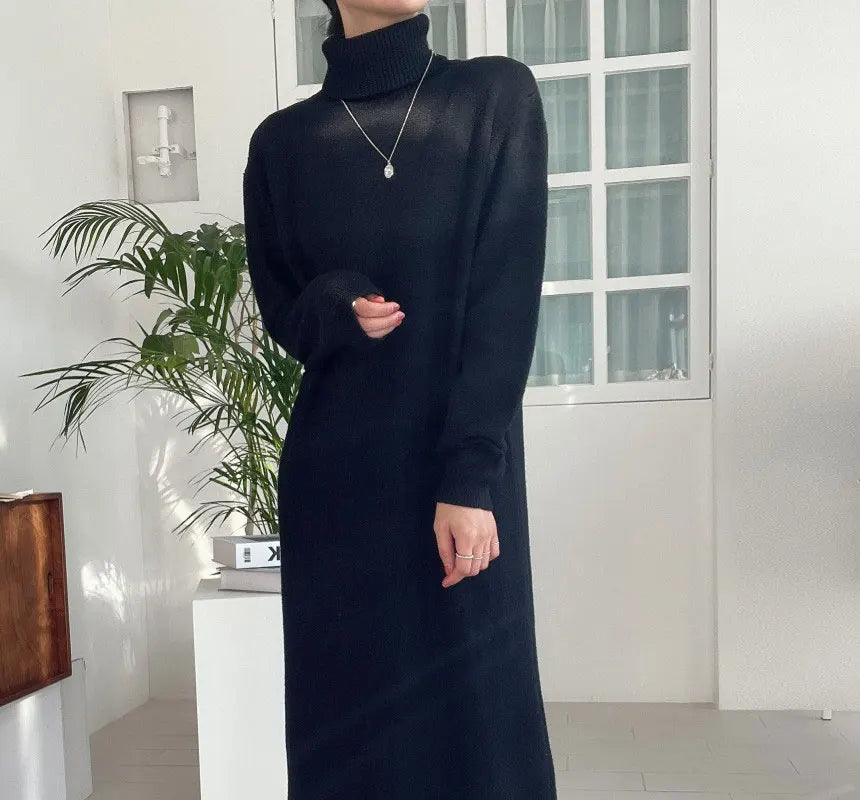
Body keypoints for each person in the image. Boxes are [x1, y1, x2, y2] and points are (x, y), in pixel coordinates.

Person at [242, 2, 555, 797]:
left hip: (454, 474)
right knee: (351, 740)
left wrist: (470, 477)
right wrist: (335, 302)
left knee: (481, 733)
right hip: (337, 485)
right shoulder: (282, 145)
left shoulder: (493, 96)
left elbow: (504, 301)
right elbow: (284, 311)